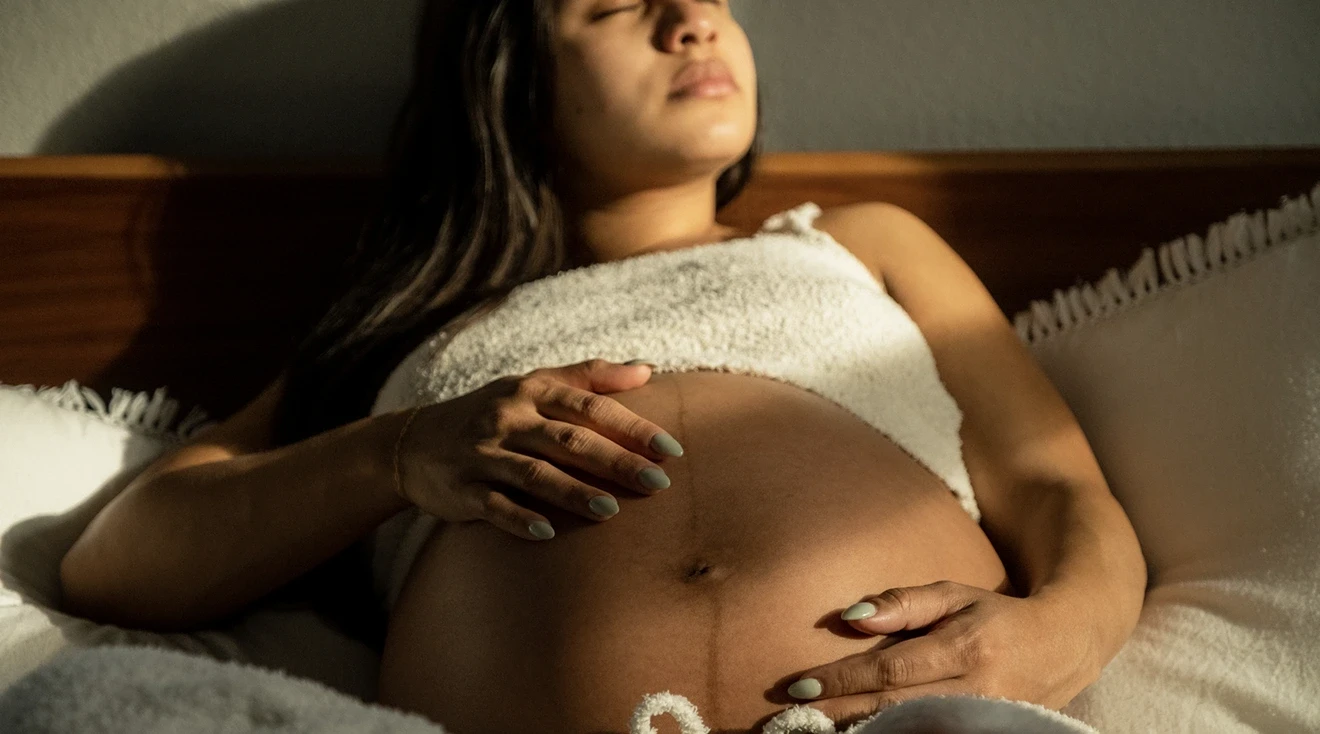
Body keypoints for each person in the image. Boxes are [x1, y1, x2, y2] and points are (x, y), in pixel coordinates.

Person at [59, 1, 1147, 733]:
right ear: (510, 76)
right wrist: (396, 455)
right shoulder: (413, 327)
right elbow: (121, 563)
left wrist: (1057, 636)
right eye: (618, 2)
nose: (690, 19)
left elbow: (1060, 490)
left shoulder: (858, 242)